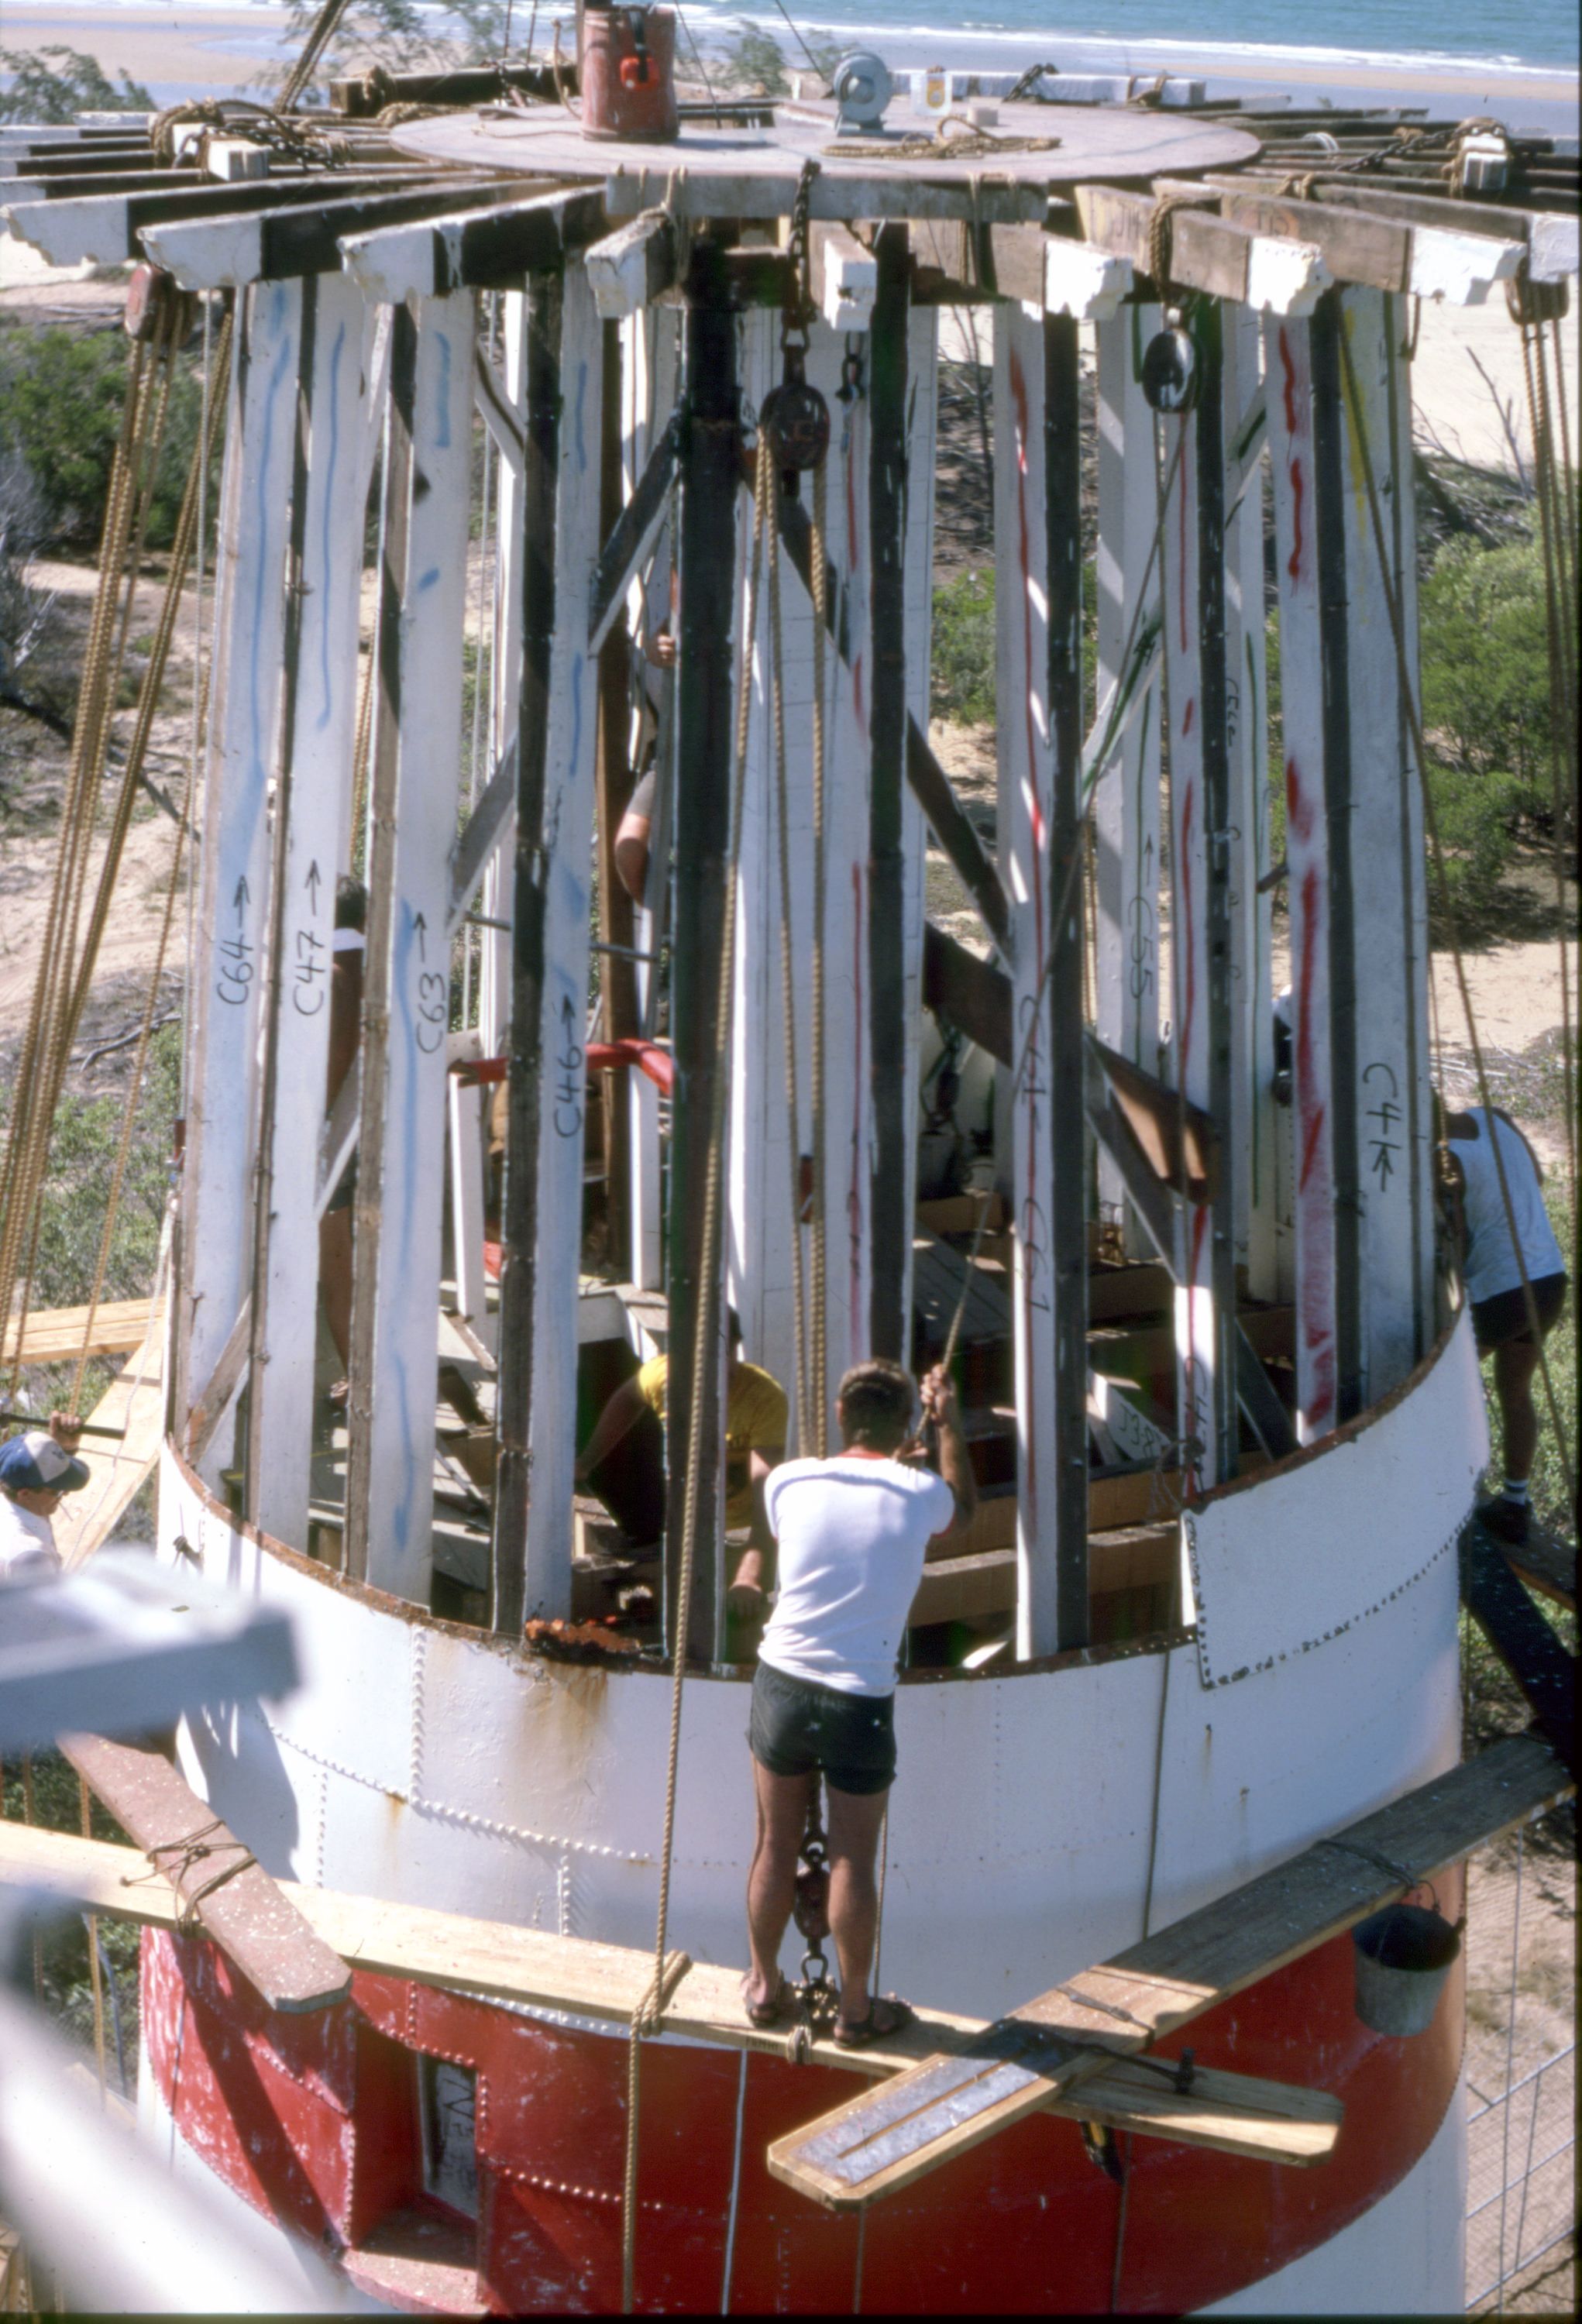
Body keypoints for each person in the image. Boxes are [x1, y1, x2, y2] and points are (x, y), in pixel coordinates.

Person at [740, 1358, 975, 2048]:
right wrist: (950, 1424)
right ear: (909, 1423)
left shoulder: (789, 1481)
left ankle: (761, 1985)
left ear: (840, 1414)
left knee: (776, 1844)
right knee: (851, 1858)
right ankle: (853, 2010)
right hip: (859, 1700)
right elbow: (963, 1509)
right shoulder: (919, 1492)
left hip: (781, 1682)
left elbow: (826, 1520)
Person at [1441, 1101, 1569, 1545]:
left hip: (1503, 1289)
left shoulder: (1447, 1157)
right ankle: (1515, 1502)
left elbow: (1453, 1240)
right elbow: (1536, 1175)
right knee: (1515, 1392)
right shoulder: (1495, 1116)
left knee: (1446, 1385)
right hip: (1549, 1279)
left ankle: (1449, 1489)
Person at [573, 1308, 786, 1555]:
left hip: (742, 1528)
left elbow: (765, 1483)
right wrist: (586, 1462)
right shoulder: (664, 1377)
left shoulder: (764, 1397)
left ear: (736, 1346)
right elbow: (628, 1399)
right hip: (685, 1523)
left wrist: (755, 1554)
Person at [318, 876, 366, 1386]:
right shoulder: (371, 965)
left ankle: (358, 1380)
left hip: (330, 1133)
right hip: (364, 1125)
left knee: (334, 1262)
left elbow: (336, 1055)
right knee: (343, 1259)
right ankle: (361, 1376)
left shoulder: (332, 976)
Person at [0, 1416, 90, 1581]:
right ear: (25, 1494)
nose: (66, 1493)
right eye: (57, 1491)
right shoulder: (30, 1558)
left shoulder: (11, 1495)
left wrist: (65, 1448)